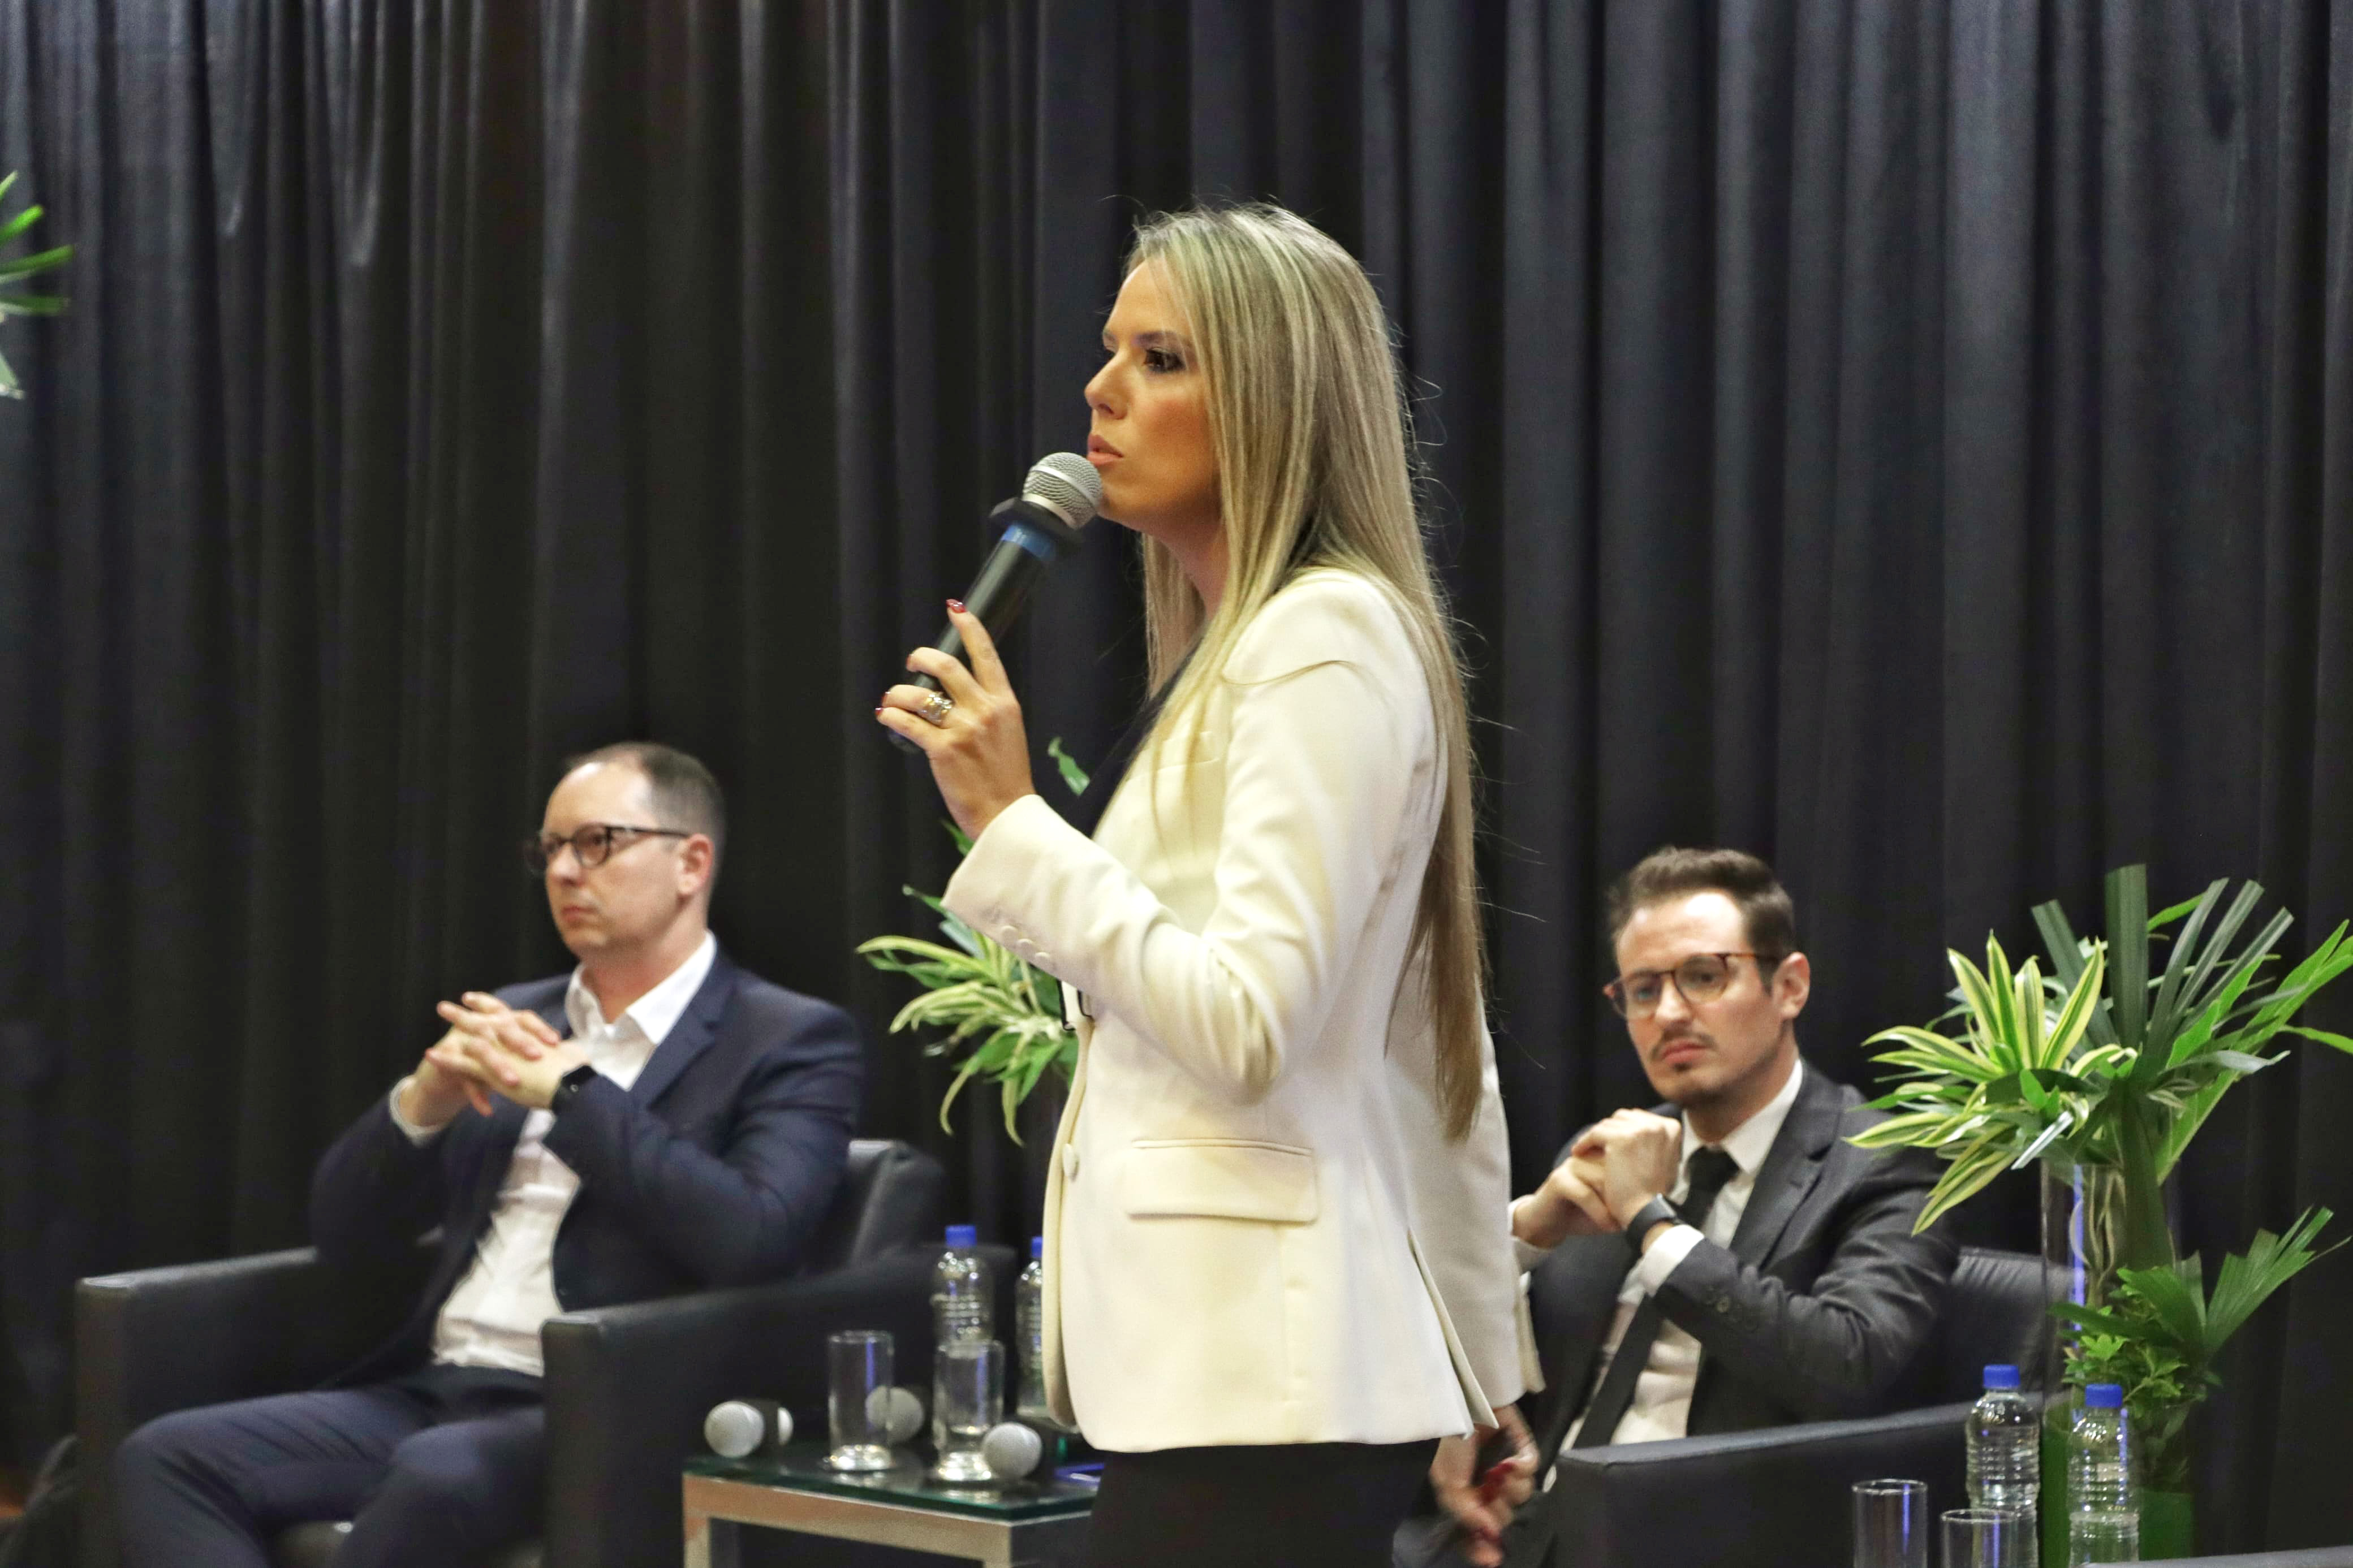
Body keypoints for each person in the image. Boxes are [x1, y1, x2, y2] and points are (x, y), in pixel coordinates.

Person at [876, 202, 1533, 1568]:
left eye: (1162, 358)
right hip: (1241, 1376)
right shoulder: (1244, 648)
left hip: (1270, 1380)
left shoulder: (1323, 643)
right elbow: (1426, 1042)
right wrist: (1484, 1366)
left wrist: (1013, 822)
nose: (1099, 392)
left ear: (1278, 400)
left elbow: (1249, 1023)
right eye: (1111, 351)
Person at [113, 743, 865, 1567]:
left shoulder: (788, 1037)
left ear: (691, 862)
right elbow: (344, 1232)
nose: (566, 872)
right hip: (438, 1387)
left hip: (602, 1403)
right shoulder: (514, 1015)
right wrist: (420, 1104)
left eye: (598, 843)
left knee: (438, 1475)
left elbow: (755, 1234)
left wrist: (574, 1099)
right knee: (167, 1457)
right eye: (550, 850)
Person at [1416, 846, 1956, 1567]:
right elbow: (1498, 1338)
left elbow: (1847, 1361)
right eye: (1641, 990)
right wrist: (1528, 1236)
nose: (1667, 1012)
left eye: (1703, 976)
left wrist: (1649, 1220)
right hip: (1528, 1542)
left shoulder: (1884, 1158)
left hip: (1717, 1537)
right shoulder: (1604, 1151)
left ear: (1788, 985)